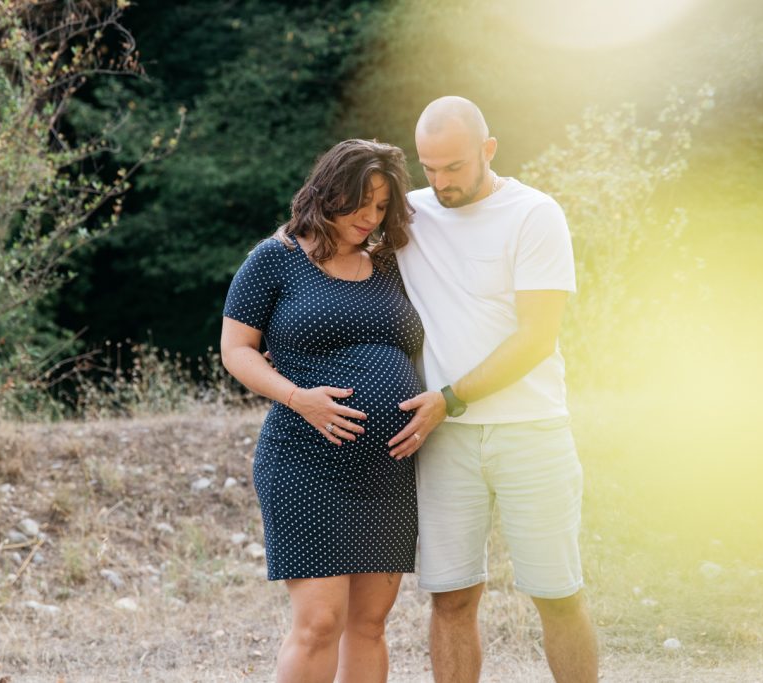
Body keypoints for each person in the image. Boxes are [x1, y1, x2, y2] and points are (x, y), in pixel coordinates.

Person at [387, 96, 600, 682]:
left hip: (532, 431)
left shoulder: (535, 214)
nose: (440, 182)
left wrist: (449, 399)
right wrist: (286, 329)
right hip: (446, 441)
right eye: (428, 167)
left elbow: (535, 338)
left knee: (557, 593)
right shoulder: (408, 213)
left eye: (453, 166)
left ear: (487, 150)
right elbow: (324, 241)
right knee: (451, 598)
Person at [220, 139, 427, 683]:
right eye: (362, 201)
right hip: (305, 461)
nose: (370, 217)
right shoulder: (277, 258)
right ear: (330, 191)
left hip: (387, 469)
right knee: (319, 623)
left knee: (371, 625)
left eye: (382, 206)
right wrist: (299, 397)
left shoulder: (390, 264)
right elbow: (236, 350)